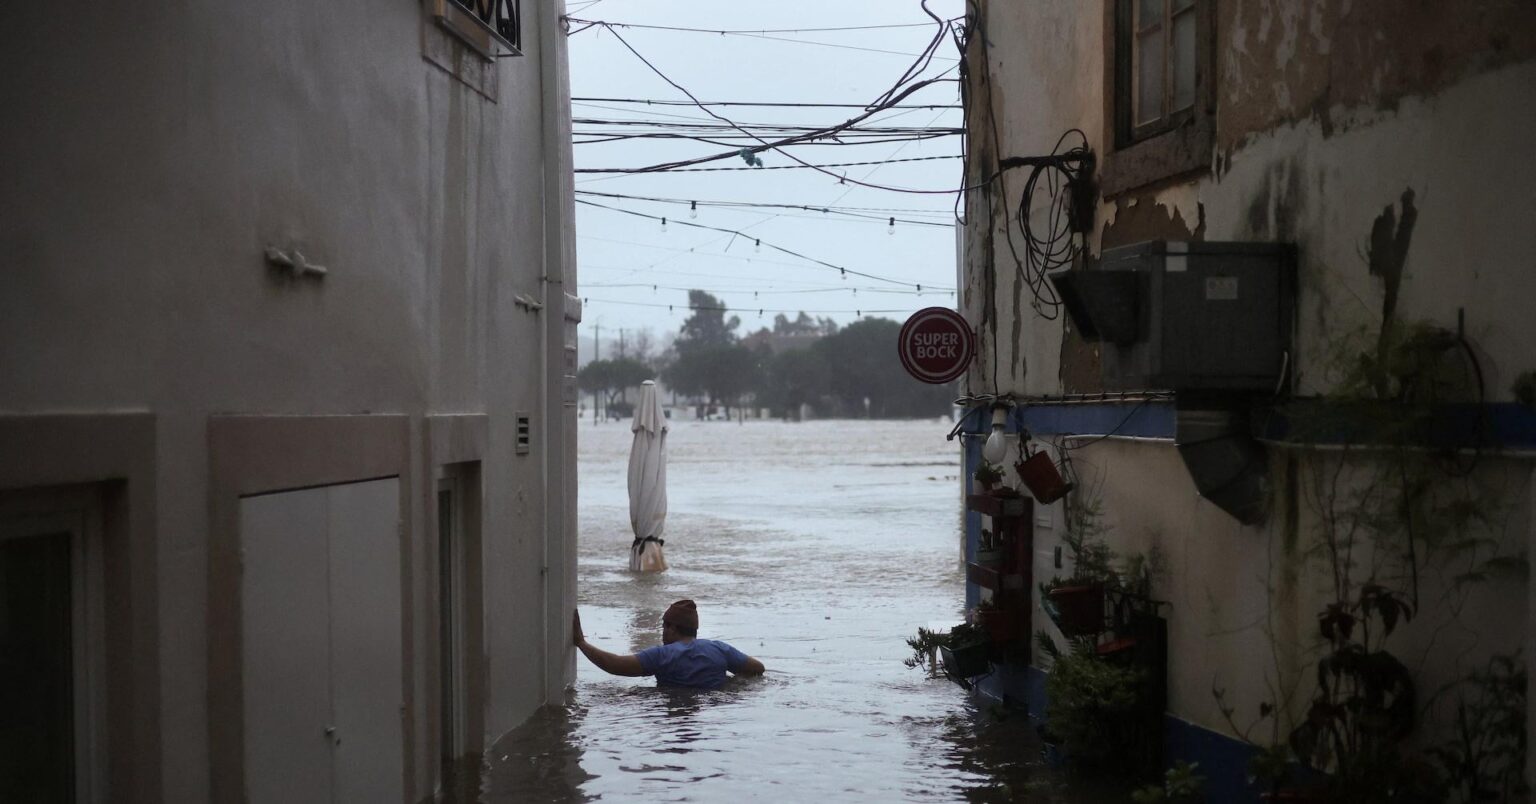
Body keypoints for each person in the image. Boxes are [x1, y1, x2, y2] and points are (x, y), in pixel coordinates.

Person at [572, 599, 765, 690]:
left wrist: (581, 643)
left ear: (672, 628)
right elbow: (757, 668)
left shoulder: (662, 655)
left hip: (671, 701)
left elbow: (615, 665)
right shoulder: (720, 649)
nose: (663, 631)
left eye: (664, 626)